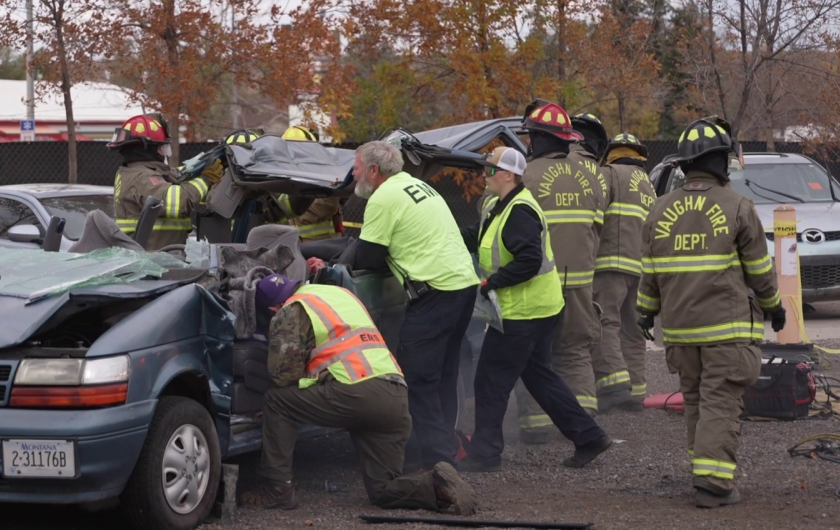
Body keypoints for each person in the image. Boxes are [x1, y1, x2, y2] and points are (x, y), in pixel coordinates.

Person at [637, 118, 785, 508]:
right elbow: (759, 271)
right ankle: (714, 485)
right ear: (720, 160)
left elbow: (649, 275)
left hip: (680, 333)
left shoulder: (660, 209)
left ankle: (704, 474)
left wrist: (644, 314)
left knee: (697, 402)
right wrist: (775, 309)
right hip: (726, 331)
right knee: (721, 402)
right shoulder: (738, 206)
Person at [241, 274, 477, 514]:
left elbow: (283, 375)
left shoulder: (291, 309)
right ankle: (438, 486)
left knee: (277, 402)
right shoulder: (341, 294)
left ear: (273, 307)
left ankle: (278, 490)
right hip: (395, 393)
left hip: (356, 393)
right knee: (383, 490)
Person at [458, 148, 612, 473]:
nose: (484, 175)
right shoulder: (501, 206)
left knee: (489, 381)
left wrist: (492, 284)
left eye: (490, 169)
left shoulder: (520, 211)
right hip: (538, 309)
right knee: (539, 376)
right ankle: (589, 437)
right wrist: (444, 238)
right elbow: (476, 236)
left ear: (508, 175)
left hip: (524, 314)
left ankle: (485, 454)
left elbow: (528, 260)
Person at [346, 141, 479, 471]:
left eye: (357, 167)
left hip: (436, 292)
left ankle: (438, 463)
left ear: (374, 171)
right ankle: (447, 447)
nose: (353, 172)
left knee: (416, 379)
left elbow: (368, 257)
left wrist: (337, 258)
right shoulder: (417, 185)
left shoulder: (383, 198)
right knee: (444, 375)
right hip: (463, 287)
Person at [512, 101, 604, 445]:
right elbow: (598, 228)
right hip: (580, 278)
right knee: (576, 349)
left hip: (538, 282)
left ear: (537, 139)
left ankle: (538, 425)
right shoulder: (589, 175)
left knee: (536, 353)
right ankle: (582, 422)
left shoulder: (525, 176)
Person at [591, 133, 656, 412]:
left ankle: (614, 384)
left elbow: (594, 216)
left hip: (610, 264)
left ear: (612, 153)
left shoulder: (607, 174)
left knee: (606, 322)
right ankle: (637, 393)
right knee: (634, 329)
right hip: (640, 267)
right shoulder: (648, 184)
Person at [109, 113, 224, 250]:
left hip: (159, 256)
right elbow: (177, 201)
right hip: (153, 261)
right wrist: (206, 179)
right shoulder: (141, 178)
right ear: (148, 149)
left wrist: (198, 167)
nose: (163, 153)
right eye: (161, 147)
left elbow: (170, 175)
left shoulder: (135, 172)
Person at [268, 126, 344, 241]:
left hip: (320, 243)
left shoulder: (323, 168)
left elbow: (328, 205)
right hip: (293, 243)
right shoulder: (286, 169)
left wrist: (298, 210)